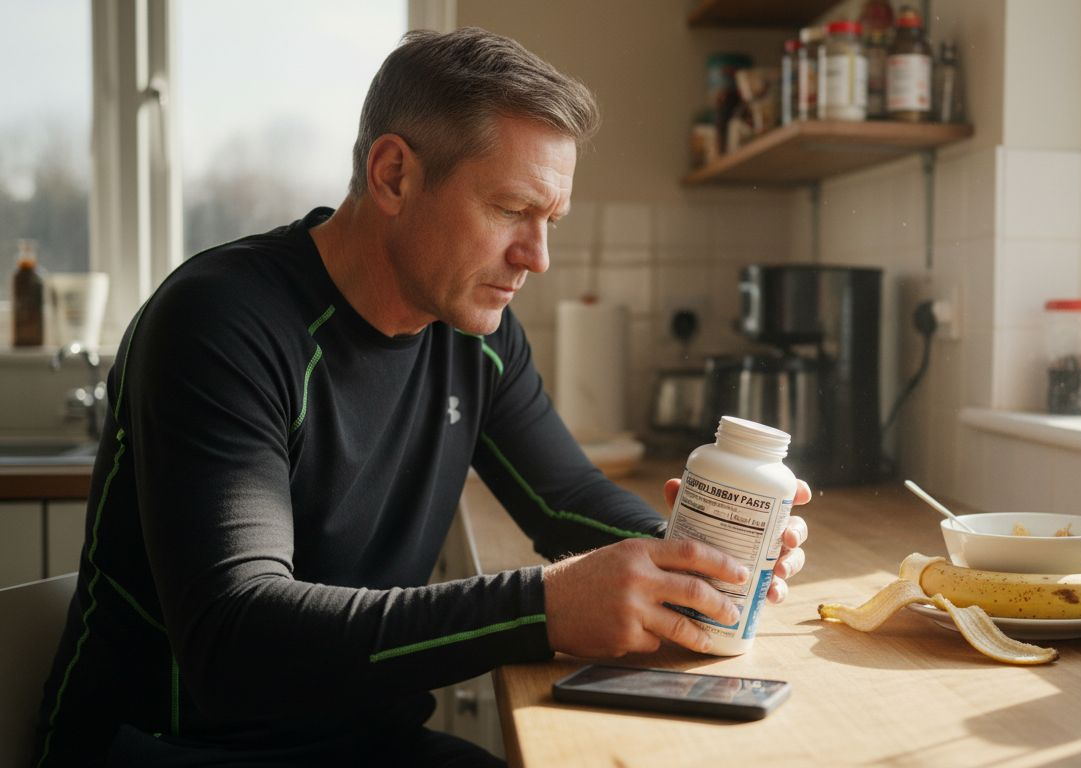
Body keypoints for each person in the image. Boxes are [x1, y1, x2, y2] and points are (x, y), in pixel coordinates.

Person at [32, 26, 810, 768]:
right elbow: (235, 639)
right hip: (171, 751)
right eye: (511, 210)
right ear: (394, 174)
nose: (536, 257)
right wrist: (541, 608)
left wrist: (704, 563)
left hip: (366, 742)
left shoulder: (475, 328)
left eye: (551, 220)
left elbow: (564, 498)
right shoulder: (222, 323)